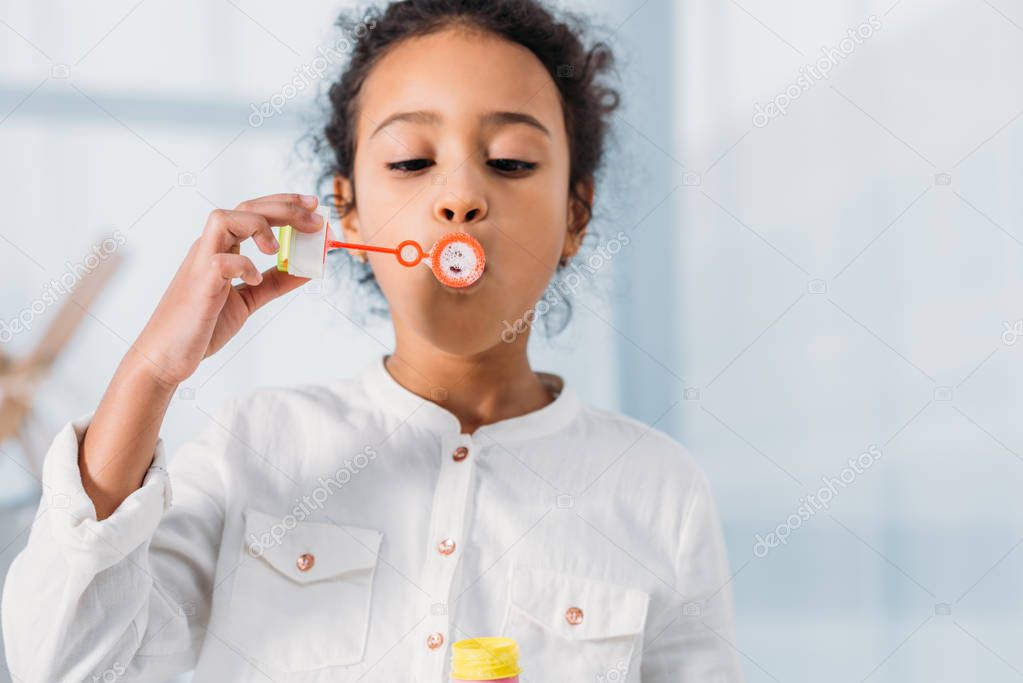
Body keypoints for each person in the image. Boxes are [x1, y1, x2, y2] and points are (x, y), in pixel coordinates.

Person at [2, 1, 742, 680]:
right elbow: (63, 664)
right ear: (346, 214)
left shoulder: (658, 488)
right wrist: (150, 373)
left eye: (512, 161)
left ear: (574, 217)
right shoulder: (255, 445)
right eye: (411, 162)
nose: (458, 197)